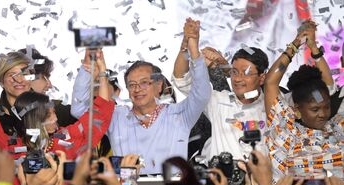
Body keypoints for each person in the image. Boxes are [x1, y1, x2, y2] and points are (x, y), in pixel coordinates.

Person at [71, 18, 212, 174]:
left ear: (159, 85)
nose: (137, 89)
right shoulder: (116, 117)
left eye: (144, 82)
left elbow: (202, 94)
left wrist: (193, 50)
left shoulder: (179, 114)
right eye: (132, 85)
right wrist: (87, 69)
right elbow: (78, 108)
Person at [264, 19, 343, 185]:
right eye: (315, 109)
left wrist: (315, 49)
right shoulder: (287, 134)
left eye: (326, 107)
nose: (323, 114)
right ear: (297, 109)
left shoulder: (339, 127)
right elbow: (271, 83)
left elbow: (327, 86)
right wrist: (296, 43)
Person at [173, 18, 270, 164]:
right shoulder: (219, 101)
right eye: (235, 72)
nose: (237, 79)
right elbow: (181, 79)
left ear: (262, 78)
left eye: (246, 73)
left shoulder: (273, 106)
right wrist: (186, 44)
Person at [18, 47, 78, 127]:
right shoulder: (2, 121)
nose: (49, 85)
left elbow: (85, 115)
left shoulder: (55, 110)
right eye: (44, 77)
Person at [0, 51, 32, 136]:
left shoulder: (47, 110)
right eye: (12, 75)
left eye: (24, 74)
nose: (19, 80)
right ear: (1, 81)